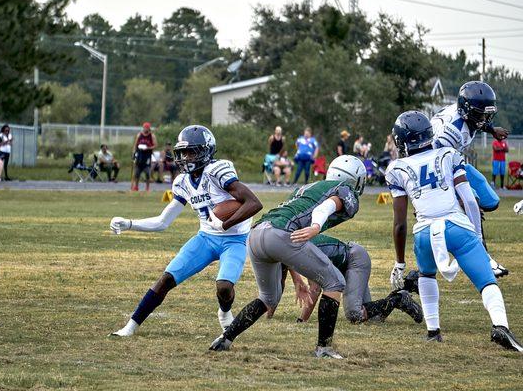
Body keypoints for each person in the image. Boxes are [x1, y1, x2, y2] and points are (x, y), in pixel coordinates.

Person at [387, 110, 522, 352]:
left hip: (424, 233)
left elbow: (399, 223)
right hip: (456, 226)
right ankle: (500, 326)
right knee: (486, 281)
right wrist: (477, 237)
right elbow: (469, 201)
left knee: (427, 276)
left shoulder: (396, 168)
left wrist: (399, 262)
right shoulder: (449, 154)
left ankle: (433, 331)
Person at [109, 125, 263, 337]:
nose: (185, 157)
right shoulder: (182, 182)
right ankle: (131, 326)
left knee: (225, 287)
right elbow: (163, 222)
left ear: (206, 151)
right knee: (166, 279)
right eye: (182, 152)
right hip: (206, 239)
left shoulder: (218, 171)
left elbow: (254, 203)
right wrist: (129, 223)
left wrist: (225, 224)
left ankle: (224, 312)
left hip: (235, 239)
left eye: (191, 151)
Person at [209, 155, 367, 359]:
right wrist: (316, 227)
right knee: (335, 282)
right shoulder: (344, 190)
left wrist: (297, 278)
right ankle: (324, 349)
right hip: (280, 235)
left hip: (257, 235)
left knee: (268, 298)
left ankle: (225, 339)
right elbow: (324, 208)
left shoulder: (307, 188)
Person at [431, 81, 509, 277]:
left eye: (486, 114)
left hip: (455, 161)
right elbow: (439, 166)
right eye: (480, 114)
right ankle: (483, 256)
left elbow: (477, 120)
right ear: (466, 111)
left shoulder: (468, 116)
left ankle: (458, 222)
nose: (484, 118)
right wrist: (459, 198)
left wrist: (492, 129)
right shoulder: (451, 130)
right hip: (438, 168)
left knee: (491, 201)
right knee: (471, 200)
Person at [293, 236, 422, 325]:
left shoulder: (303, 249)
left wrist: (301, 321)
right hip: (349, 264)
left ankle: (397, 299)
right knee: (372, 318)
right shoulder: (294, 246)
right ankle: (403, 292)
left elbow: (315, 289)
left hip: (355, 259)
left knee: (354, 314)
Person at [131, 122, 157, 191]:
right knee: (137, 172)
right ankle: (136, 186)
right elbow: (135, 145)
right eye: (144, 128)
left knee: (147, 172)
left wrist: (148, 148)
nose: (145, 129)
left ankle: (147, 187)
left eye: (147, 128)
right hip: (139, 155)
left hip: (147, 155)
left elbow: (155, 145)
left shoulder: (152, 136)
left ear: (149, 128)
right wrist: (134, 153)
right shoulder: (139, 135)